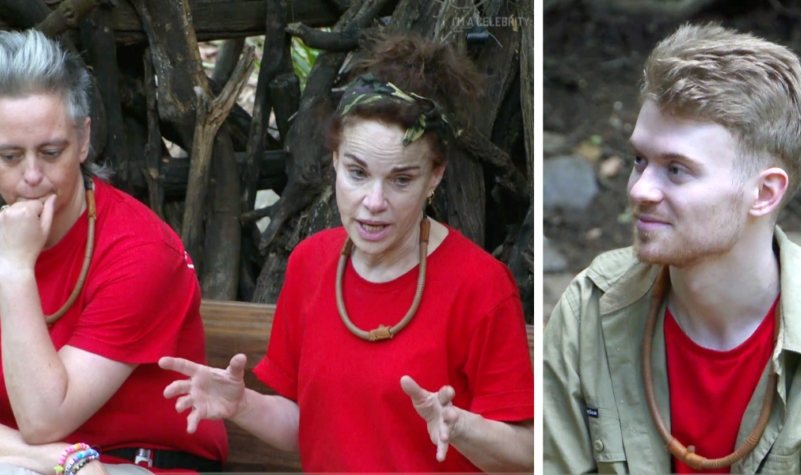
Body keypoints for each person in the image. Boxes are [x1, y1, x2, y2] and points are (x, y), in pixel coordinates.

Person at [158, 35, 534, 472]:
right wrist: (242, 405)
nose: (374, 201)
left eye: (400, 180)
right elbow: (310, 427)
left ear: (435, 176)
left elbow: (525, 458)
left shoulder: (481, 287)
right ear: (335, 161)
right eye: (358, 172)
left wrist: (462, 427)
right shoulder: (310, 263)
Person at [0, 30, 226, 475]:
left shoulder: (139, 248)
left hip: (146, 462)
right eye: (9, 156)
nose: (32, 176)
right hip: (35, 465)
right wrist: (65, 460)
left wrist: (13, 270)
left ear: (83, 140)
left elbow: (46, 417)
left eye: (51, 152)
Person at [544, 23, 801, 474]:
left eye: (677, 169)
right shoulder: (589, 311)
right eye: (640, 160)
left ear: (764, 193)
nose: (640, 190)